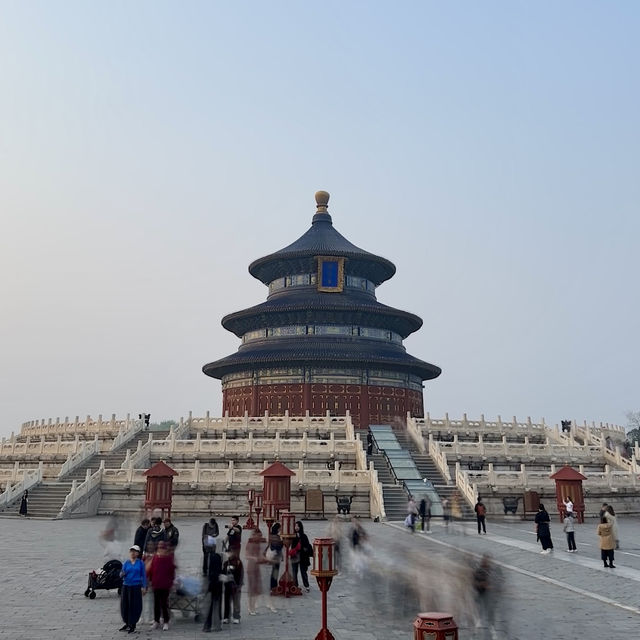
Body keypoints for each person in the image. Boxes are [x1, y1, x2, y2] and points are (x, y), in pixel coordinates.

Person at [147, 541, 176, 631]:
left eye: (162, 548)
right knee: (156, 604)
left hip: (165, 585)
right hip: (156, 584)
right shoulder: (155, 558)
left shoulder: (169, 559)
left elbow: (172, 573)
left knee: (164, 604)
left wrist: (172, 583)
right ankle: (156, 621)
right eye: (159, 548)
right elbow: (151, 570)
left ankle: (166, 621)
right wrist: (150, 581)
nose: (161, 550)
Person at [119, 545, 147, 634]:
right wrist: (122, 574)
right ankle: (127, 623)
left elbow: (143, 575)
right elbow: (121, 574)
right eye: (131, 551)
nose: (133, 553)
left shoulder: (140, 563)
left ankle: (133, 624)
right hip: (126, 586)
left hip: (136, 586)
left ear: (138, 553)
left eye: (135, 551)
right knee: (125, 605)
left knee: (134, 605)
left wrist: (144, 587)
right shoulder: (126, 563)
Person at [203, 546, 223, 632]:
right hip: (216, 583)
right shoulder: (217, 557)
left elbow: (205, 571)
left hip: (211, 583)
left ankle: (209, 625)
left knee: (210, 606)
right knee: (215, 605)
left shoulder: (206, 557)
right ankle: (215, 624)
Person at [222, 551, 244, 624]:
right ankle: (226, 617)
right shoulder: (225, 563)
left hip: (236, 585)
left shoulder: (238, 562)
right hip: (227, 585)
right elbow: (223, 572)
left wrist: (239, 585)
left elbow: (241, 574)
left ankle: (236, 616)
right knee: (227, 601)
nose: (229, 554)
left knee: (236, 602)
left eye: (230, 552)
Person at [289, 521, 312, 592]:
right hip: (294, 555)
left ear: (300, 527)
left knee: (303, 572)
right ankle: (295, 585)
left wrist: (302, 547)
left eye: (298, 526)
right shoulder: (292, 536)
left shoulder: (304, 536)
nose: (296, 528)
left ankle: (306, 585)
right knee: (294, 571)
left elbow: (307, 546)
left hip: (303, 556)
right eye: (295, 526)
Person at [245, 530, 264, 615]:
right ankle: (250, 607)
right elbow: (247, 555)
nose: (260, 537)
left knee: (257, 588)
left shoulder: (258, 544)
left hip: (257, 567)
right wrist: (254, 558)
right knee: (252, 588)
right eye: (258, 536)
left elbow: (260, 554)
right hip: (251, 567)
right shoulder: (250, 544)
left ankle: (253, 606)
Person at [266, 522, 283, 595]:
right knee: (275, 572)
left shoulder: (272, 535)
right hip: (275, 556)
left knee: (274, 571)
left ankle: (272, 586)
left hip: (274, 556)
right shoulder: (276, 537)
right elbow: (278, 546)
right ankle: (273, 587)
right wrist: (282, 540)